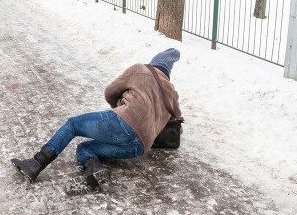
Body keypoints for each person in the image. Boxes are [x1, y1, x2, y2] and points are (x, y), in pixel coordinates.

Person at [12, 48, 183, 195]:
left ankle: (36, 164)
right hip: (138, 147)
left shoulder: (141, 70)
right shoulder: (172, 94)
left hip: (123, 122)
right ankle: (94, 170)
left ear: (154, 63)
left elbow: (110, 91)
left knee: (73, 124)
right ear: (168, 71)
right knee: (84, 148)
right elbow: (174, 126)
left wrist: (118, 109)